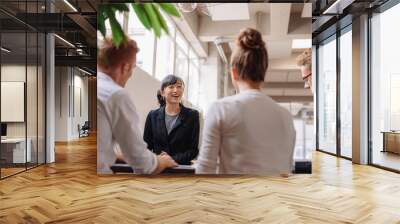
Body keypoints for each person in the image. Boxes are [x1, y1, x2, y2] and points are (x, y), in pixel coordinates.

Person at [196, 28, 296, 175]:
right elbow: (287, 169)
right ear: (264, 72)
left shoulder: (220, 109)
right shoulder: (286, 116)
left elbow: (205, 170)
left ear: (234, 73)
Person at [97, 37, 177, 174]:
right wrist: (161, 161)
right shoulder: (117, 95)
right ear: (125, 67)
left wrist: (120, 155)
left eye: (179, 87)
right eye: (132, 68)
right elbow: (142, 163)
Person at [143, 75, 200, 165]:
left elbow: (193, 150)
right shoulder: (152, 115)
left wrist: (172, 159)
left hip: (181, 169)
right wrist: (157, 160)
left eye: (179, 87)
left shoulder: (192, 115)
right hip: (157, 169)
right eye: (171, 87)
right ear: (162, 92)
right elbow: (146, 148)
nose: (176, 90)